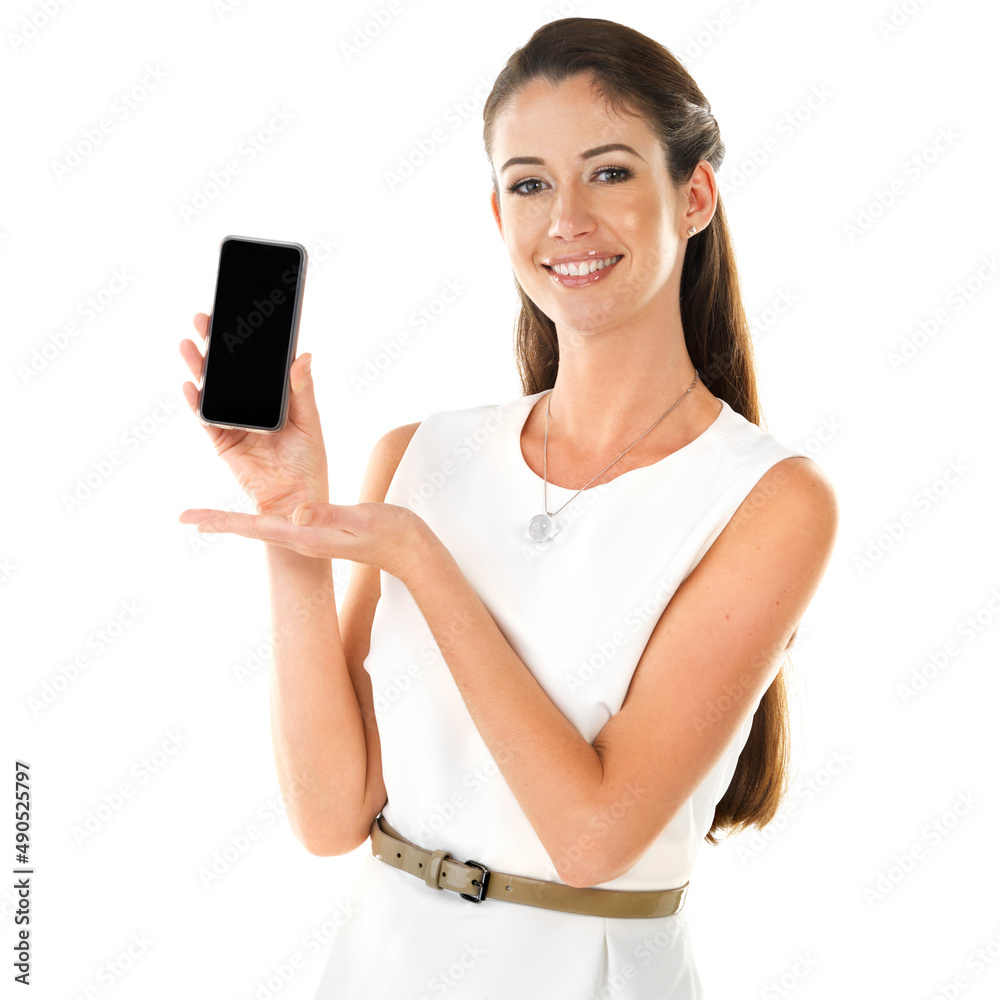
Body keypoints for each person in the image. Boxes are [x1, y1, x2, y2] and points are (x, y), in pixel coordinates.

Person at [178, 16, 838, 999]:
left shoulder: (769, 500)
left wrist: (420, 559)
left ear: (692, 194)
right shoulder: (420, 453)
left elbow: (590, 837)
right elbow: (330, 816)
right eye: (529, 183)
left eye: (609, 172)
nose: (565, 218)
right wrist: (293, 525)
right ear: (498, 216)